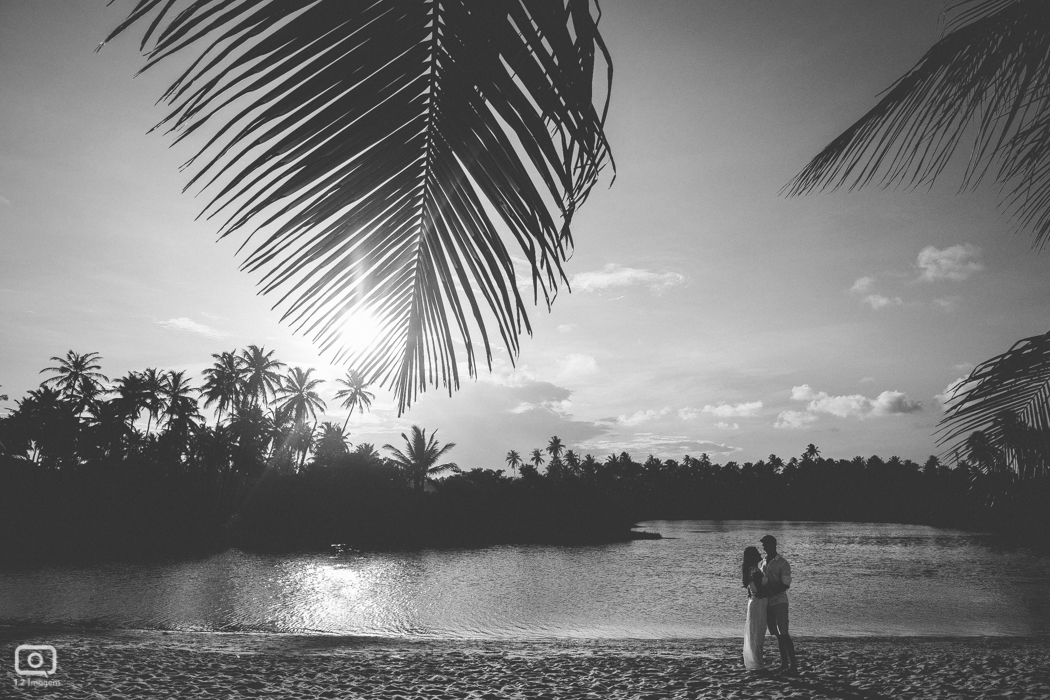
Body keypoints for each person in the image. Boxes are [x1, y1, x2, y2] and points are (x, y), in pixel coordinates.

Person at [759, 534, 798, 675]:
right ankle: (784, 664)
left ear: (773, 545)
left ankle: (793, 665)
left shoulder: (782, 563)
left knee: (784, 633)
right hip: (767, 603)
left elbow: (785, 584)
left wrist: (769, 591)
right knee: (777, 634)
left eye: (766, 545)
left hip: (780, 602)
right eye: (763, 545)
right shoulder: (763, 562)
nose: (764, 548)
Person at [741, 546, 768, 671]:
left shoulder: (750, 570)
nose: (759, 555)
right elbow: (760, 590)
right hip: (759, 603)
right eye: (757, 553)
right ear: (753, 557)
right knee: (758, 632)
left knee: (755, 632)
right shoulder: (755, 571)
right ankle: (758, 662)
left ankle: (756, 661)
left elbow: (752, 590)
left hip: (754, 602)